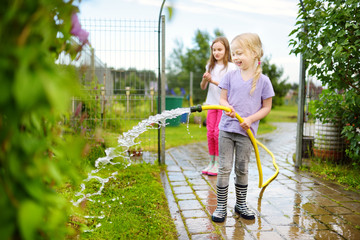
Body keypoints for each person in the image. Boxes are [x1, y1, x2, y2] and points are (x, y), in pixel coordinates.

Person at [211, 33, 275, 222]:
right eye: (234, 54)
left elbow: (267, 107)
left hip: (246, 133)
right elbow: (222, 98)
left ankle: (240, 204)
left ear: (254, 53)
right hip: (227, 129)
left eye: (240, 53)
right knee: (224, 168)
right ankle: (221, 206)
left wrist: (250, 119)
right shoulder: (230, 76)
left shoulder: (264, 81)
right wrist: (226, 105)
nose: (235, 57)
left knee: (242, 168)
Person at [200, 36, 237, 176]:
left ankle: (219, 163)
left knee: (218, 133)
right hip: (211, 103)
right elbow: (203, 87)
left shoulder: (231, 67)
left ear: (226, 50)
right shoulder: (209, 66)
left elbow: (228, 87)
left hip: (223, 105)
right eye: (214, 50)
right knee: (210, 133)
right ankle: (212, 162)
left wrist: (212, 80)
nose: (217, 53)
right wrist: (205, 80)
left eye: (219, 49)